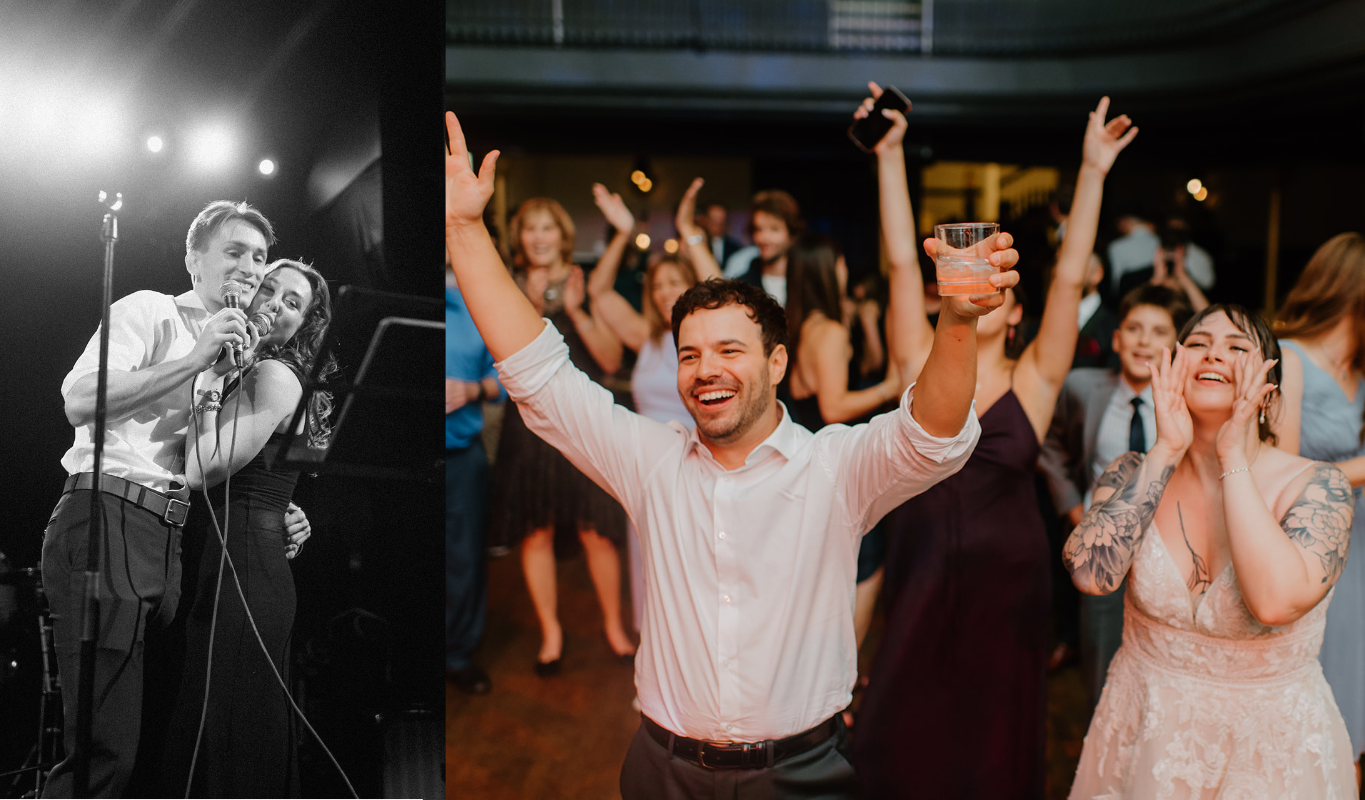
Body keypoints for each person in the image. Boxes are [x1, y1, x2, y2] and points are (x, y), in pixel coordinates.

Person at [446, 108, 1019, 799]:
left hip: (799, 774)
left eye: (727, 351)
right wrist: (465, 231)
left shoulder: (832, 468)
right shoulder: (649, 460)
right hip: (661, 771)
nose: (703, 369)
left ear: (777, 363)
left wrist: (957, 322)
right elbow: (539, 376)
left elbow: (929, 435)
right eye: (689, 354)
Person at [853, 88, 1137, 798]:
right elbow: (896, 263)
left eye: (994, 283)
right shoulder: (915, 359)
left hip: (1008, 586)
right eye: (963, 275)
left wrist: (1093, 171)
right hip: (917, 571)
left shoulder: (1034, 378)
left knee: (990, 744)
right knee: (901, 726)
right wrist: (888, 156)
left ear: (1012, 312)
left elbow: (1070, 279)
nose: (978, 288)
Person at [1066, 304, 1357, 797]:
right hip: (1144, 739)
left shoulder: (1319, 487)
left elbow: (1274, 602)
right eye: (1198, 343)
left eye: (1238, 347)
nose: (1213, 354)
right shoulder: (1130, 471)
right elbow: (1093, 576)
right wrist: (1165, 450)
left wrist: (1231, 455)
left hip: (1267, 757)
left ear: (1269, 391)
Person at [40, 200, 272, 797]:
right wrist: (194, 359)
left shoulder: (237, 354)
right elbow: (80, 401)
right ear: (194, 259)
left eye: (260, 257)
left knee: (156, 744)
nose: (250, 267)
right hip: (108, 512)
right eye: (234, 251)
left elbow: (211, 464)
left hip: (173, 540)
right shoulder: (153, 311)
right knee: (103, 746)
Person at [158, 259, 335, 797]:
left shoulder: (273, 374)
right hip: (242, 556)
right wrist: (289, 514)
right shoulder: (255, 369)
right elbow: (271, 479)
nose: (273, 303)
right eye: (268, 288)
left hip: (244, 566)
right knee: (224, 718)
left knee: (229, 724)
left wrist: (207, 384)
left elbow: (201, 470)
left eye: (292, 303)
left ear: (302, 326)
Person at [488, 196, 633, 673]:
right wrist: (527, 305)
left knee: (597, 531)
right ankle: (551, 633)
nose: (539, 236)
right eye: (530, 228)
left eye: (548, 227)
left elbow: (611, 361)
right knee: (536, 532)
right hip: (529, 427)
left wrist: (577, 309)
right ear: (520, 237)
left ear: (562, 234)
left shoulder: (586, 282)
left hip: (583, 419)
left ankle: (614, 626)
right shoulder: (506, 286)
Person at [1040, 284, 1193, 709]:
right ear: (1117, 337)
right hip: (1104, 552)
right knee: (1104, 677)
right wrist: (1074, 509)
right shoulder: (1083, 388)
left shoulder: (1191, 405)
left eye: (1159, 331)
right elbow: (1052, 447)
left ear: (1176, 345)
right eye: (1135, 328)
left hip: (1171, 558)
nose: (1144, 340)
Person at [587, 181, 703, 636]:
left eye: (675, 282)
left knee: (690, 562)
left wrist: (689, 229)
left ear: (695, 284)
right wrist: (620, 234)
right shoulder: (647, 336)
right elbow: (597, 291)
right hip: (644, 464)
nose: (663, 292)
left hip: (693, 462)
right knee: (645, 556)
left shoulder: (704, 343)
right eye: (657, 285)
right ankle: (651, 650)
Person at [1271, 232, 1365, 782]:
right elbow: (1280, 471)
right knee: (1317, 720)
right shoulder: (1290, 357)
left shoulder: (1361, 373)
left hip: (1363, 549)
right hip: (1314, 553)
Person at [446, 251, 505, 696]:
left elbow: (504, 379)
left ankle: (460, 655)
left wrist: (471, 389)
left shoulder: (476, 304)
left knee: (466, 561)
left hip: (463, 455)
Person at [721, 189, 803, 306]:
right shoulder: (743, 285)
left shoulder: (806, 281)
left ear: (792, 234)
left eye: (774, 229)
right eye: (758, 229)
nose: (763, 238)